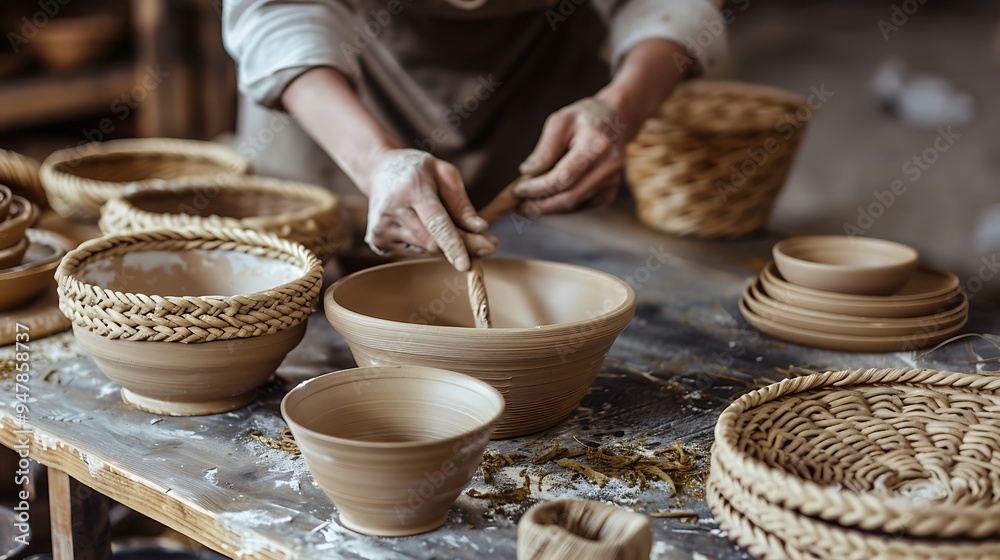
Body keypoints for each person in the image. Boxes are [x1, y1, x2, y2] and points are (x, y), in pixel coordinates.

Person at [223, 0, 726, 271]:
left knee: (547, 280)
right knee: (300, 291)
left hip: (541, 65)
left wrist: (621, 109)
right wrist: (375, 161)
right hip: (334, 78)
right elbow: (280, 9)